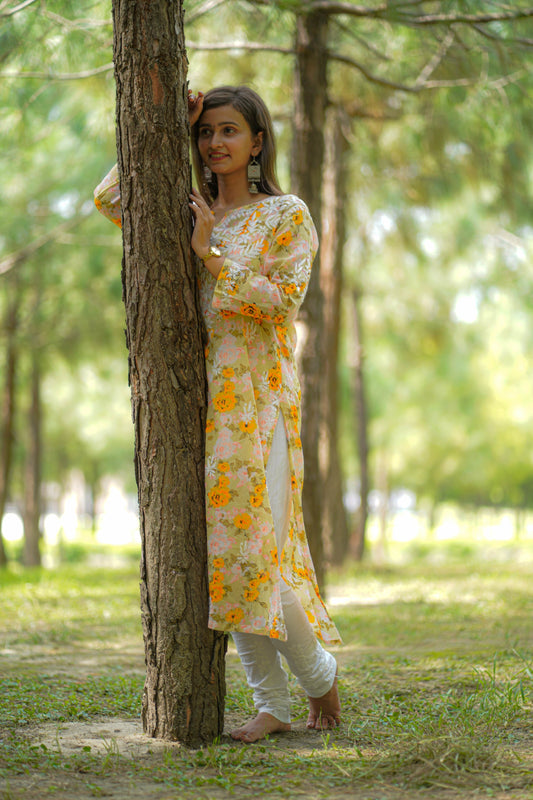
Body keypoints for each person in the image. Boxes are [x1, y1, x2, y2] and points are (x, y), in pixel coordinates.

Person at [94, 85, 341, 743]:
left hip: (257, 402)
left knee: (255, 560)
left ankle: (320, 677)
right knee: (224, 562)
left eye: (229, 131)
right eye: (205, 132)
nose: (214, 143)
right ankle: (272, 705)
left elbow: (282, 300)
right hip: (197, 404)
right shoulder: (187, 207)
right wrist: (167, 122)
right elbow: (112, 198)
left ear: (257, 142)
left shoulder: (285, 214)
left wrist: (211, 253)